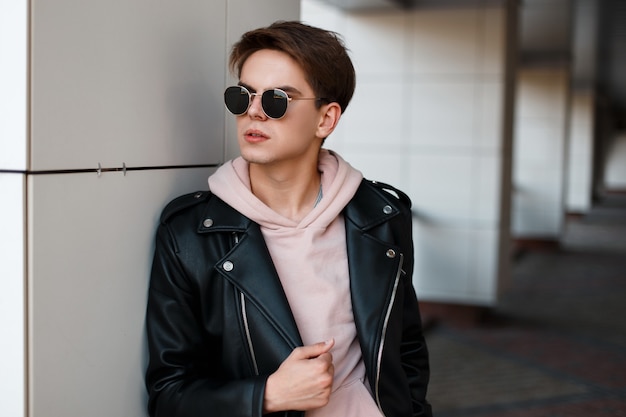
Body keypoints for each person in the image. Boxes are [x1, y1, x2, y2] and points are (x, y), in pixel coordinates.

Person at [145, 20, 432, 417]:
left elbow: (406, 349)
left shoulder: (381, 217)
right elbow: (169, 394)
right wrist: (266, 396)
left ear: (325, 119)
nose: (255, 113)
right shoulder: (190, 234)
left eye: (277, 99)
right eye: (242, 96)